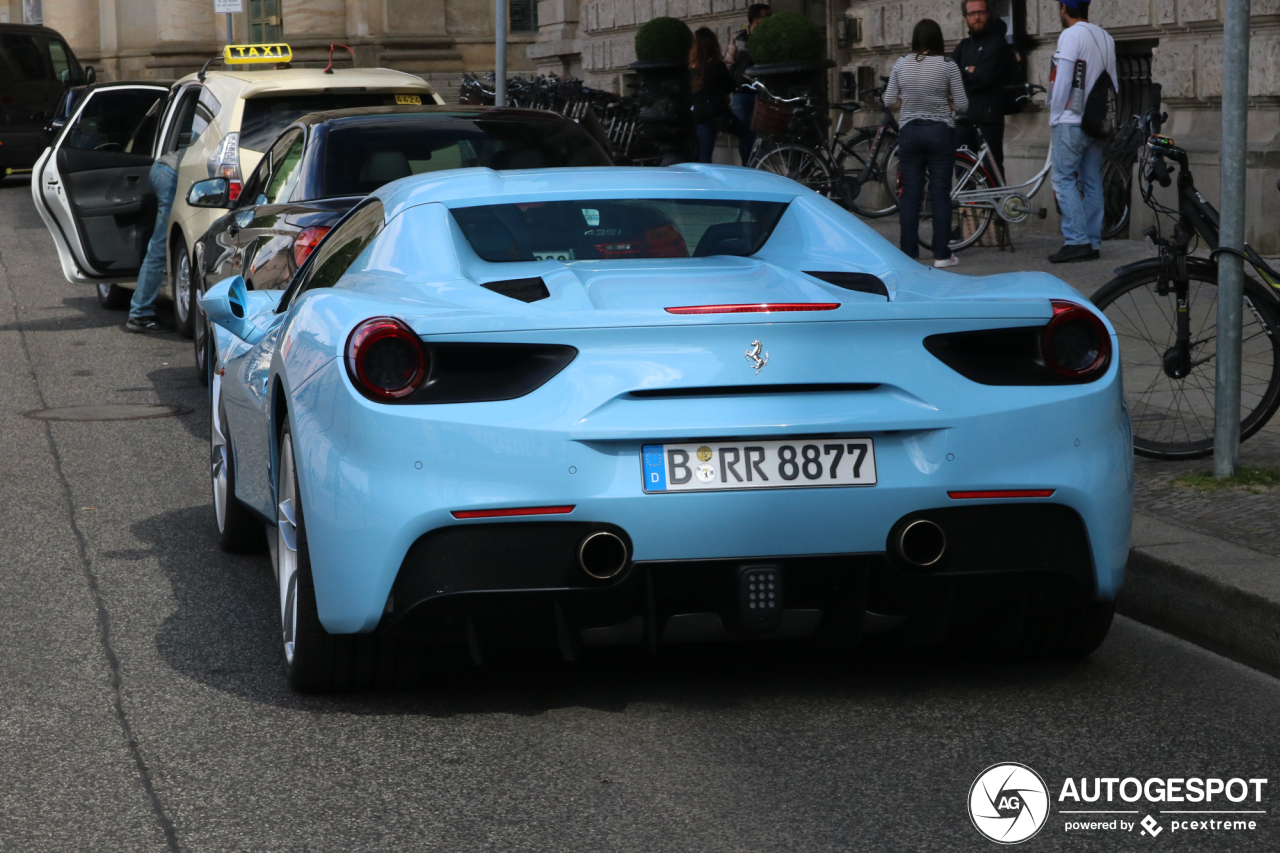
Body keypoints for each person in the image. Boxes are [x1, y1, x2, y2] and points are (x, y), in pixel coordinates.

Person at [884, 19, 968, 267]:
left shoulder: (902, 63)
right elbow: (963, 105)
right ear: (939, 39)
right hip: (940, 133)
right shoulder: (948, 65)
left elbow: (889, 100)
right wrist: (947, 103)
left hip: (909, 132)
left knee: (910, 194)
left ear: (915, 39)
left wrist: (908, 102)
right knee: (940, 193)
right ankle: (942, 255)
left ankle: (909, 254)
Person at [1047, 0, 1116, 263]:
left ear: (1064, 7)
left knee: (1063, 180)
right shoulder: (1106, 37)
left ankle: (1076, 241)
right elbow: (1114, 83)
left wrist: (1054, 116)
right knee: (1092, 181)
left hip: (1071, 120)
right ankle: (1092, 241)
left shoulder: (1070, 35)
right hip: (1097, 120)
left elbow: (1063, 79)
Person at [952, 0, 1012, 180]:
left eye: (980, 12)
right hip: (964, 116)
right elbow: (951, 76)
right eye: (972, 13)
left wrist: (966, 72)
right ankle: (967, 207)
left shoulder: (997, 43)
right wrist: (969, 70)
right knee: (963, 165)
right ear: (966, 17)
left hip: (989, 116)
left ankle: (996, 206)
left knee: (992, 168)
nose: (977, 17)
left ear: (988, 13)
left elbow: (983, 77)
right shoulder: (963, 46)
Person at [126, 149, 180, 332]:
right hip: (173, 174)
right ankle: (139, 314)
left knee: (158, 244)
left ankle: (140, 311)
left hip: (164, 168)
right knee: (160, 246)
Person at [724, 3, 770, 165]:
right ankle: (747, 166)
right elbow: (729, 63)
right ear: (756, 19)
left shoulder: (768, 39)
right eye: (767, 16)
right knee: (744, 132)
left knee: (762, 132)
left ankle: (758, 164)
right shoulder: (738, 38)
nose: (770, 20)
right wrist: (728, 88)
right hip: (741, 91)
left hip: (763, 93)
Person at [690, 28, 736, 164]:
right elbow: (730, 86)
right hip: (711, 114)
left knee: (701, 154)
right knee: (746, 134)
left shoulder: (691, 67)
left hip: (695, 114)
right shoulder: (716, 65)